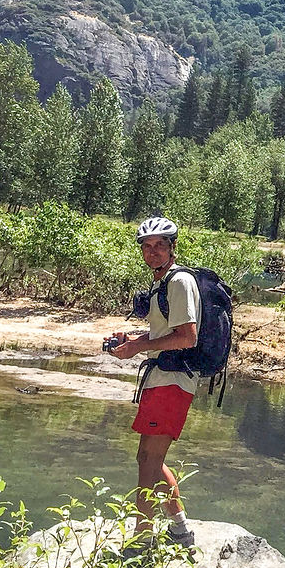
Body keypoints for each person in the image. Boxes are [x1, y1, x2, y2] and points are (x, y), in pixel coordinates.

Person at [106, 216, 199, 550]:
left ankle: (142, 540)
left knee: (148, 461)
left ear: (172, 248)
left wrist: (140, 347)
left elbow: (188, 337)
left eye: (160, 245)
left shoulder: (180, 281)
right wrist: (133, 341)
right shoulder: (162, 282)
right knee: (147, 459)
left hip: (174, 381)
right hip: (161, 378)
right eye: (147, 246)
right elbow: (165, 334)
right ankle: (180, 531)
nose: (153, 252)